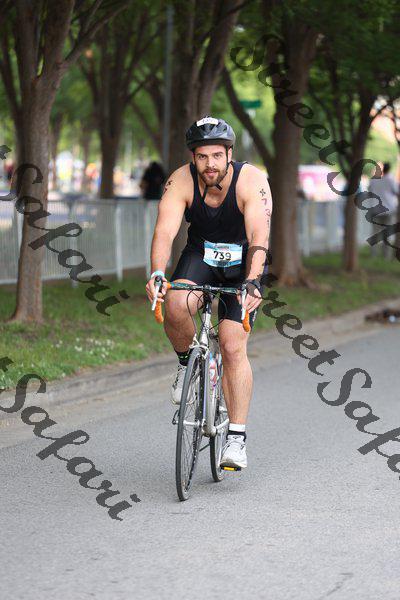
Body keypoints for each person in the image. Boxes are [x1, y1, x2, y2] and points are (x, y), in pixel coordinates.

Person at [145, 116, 272, 470]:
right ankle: (188, 363)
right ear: (193, 157)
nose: (210, 164)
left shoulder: (252, 180)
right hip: (200, 255)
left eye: (217, 155)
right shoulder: (181, 180)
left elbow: (259, 235)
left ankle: (236, 438)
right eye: (202, 156)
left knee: (232, 345)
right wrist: (157, 272)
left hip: (244, 263)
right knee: (174, 303)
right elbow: (165, 231)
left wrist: (253, 281)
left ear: (229, 154)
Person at [368, 162, 399, 258]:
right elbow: (397, 192)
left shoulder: (374, 180)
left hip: (375, 210)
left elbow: (369, 191)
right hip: (389, 210)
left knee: (375, 233)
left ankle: (373, 255)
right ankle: (386, 256)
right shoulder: (391, 180)